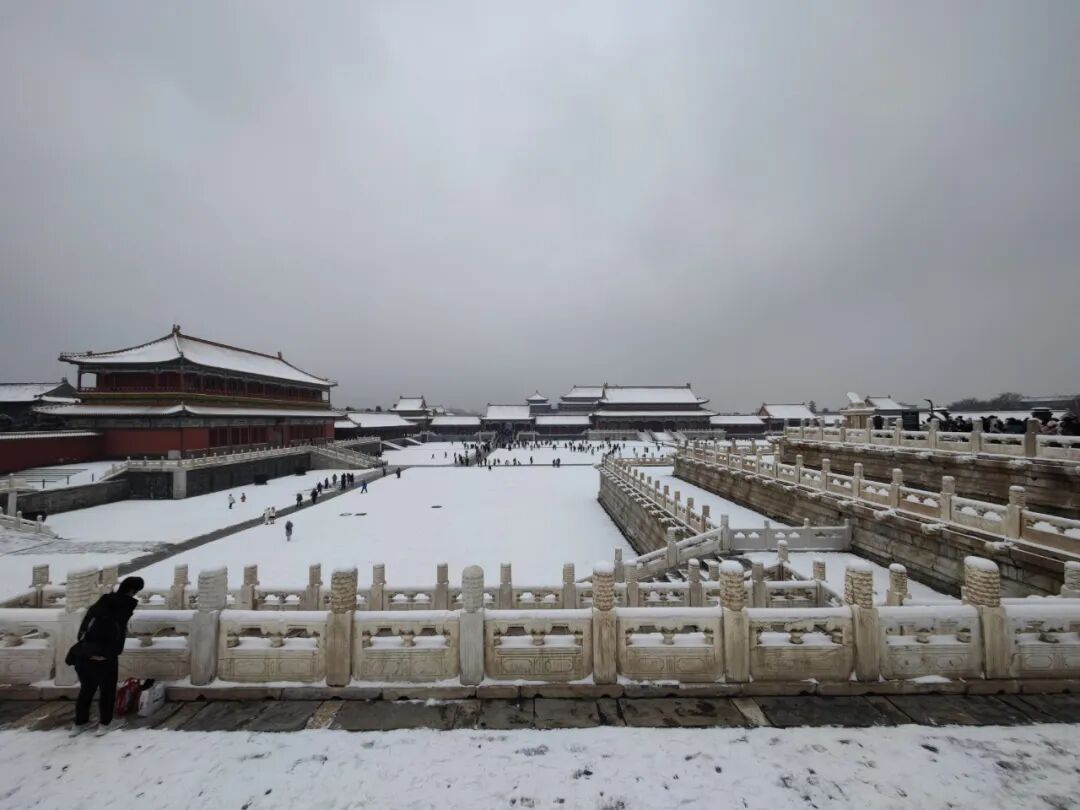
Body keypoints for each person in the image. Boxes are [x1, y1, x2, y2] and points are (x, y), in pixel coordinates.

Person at [69, 576, 144, 737]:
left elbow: (84, 628)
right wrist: (106, 653)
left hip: (84, 652)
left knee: (86, 689)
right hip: (104, 655)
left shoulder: (101, 603)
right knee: (107, 690)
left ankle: (79, 723)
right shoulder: (124, 606)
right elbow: (114, 633)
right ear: (132, 591)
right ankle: (105, 724)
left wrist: (87, 649)